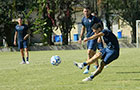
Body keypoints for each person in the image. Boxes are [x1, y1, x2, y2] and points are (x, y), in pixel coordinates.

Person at [78, 7, 103, 74]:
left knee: (89, 52)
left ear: (89, 11)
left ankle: (87, 68)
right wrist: (80, 37)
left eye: (87, 11)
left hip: (94, 37)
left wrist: (99, 37)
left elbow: (100, 27)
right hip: (88, 37)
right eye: (84, 11)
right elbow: (83, 29)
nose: (85, 13)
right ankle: (97, 67)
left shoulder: (94, 19)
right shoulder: (83, 19)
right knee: (93, 53)